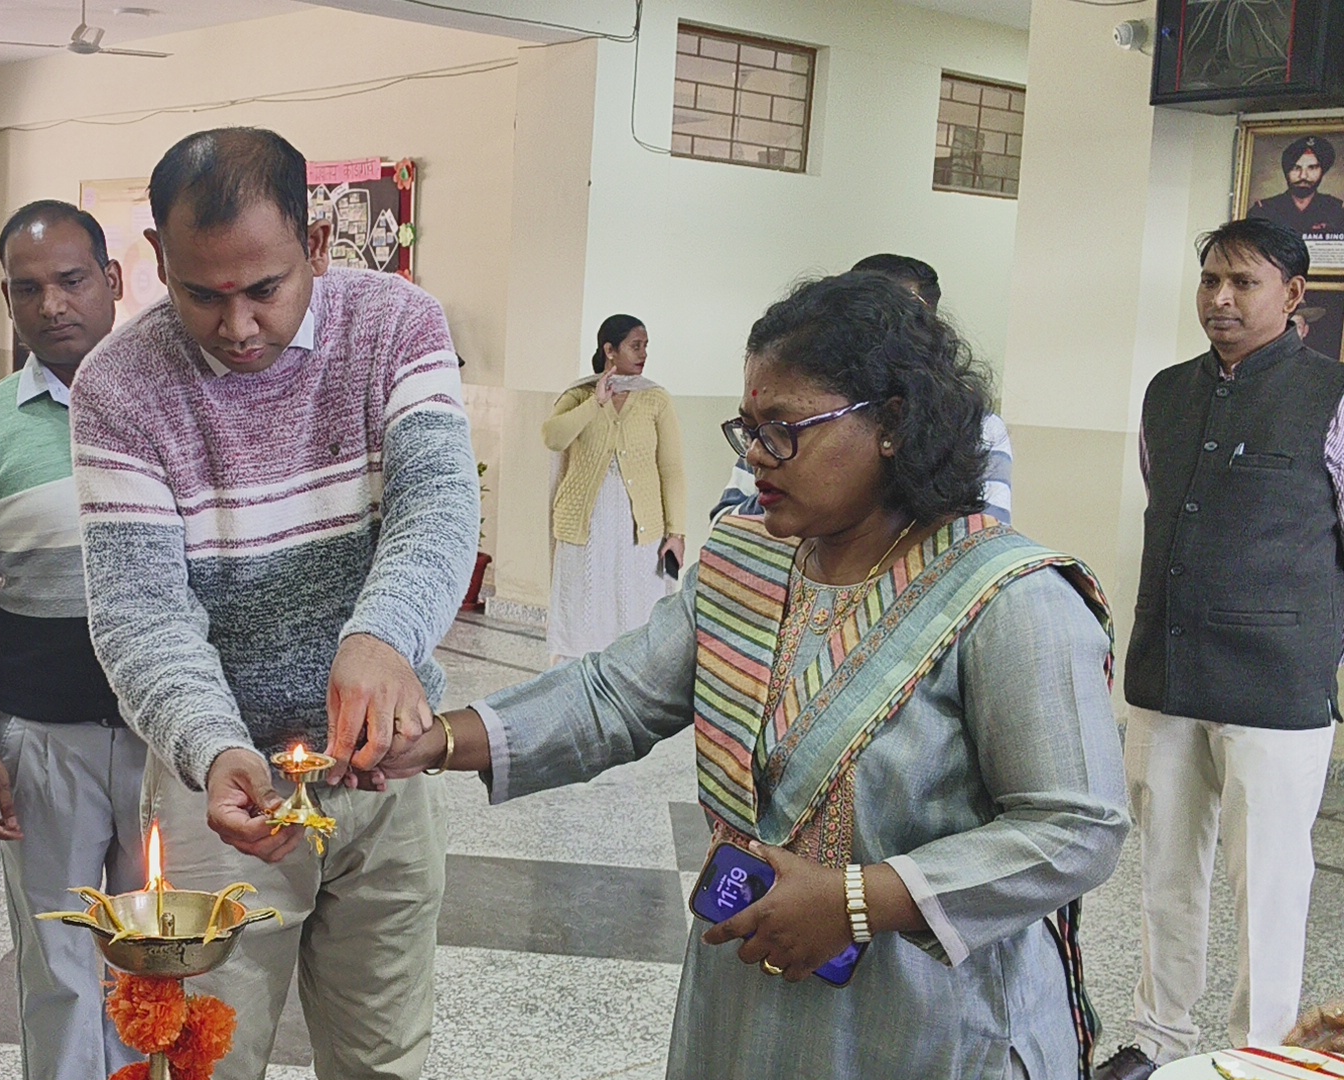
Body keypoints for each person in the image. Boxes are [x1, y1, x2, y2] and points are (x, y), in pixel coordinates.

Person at [381, 272, 1129, 1079]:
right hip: (750, 998)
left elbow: (1074, 828)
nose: (756, 458)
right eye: (749, 429)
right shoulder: (746, 562)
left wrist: (858, 901)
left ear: (892, 424)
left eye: (786, 430)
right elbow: (613, 697)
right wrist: (436, 740)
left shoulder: (1007, 598)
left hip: (930, 1021)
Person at [70, 127, 478, 1080]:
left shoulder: (396, 325)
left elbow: (438, 502)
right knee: (205, 1056)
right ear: (158, 258)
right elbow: (142, 610)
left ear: (318, 245)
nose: (239, 325)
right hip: (224, 788)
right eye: (202, 294)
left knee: (383, 1056)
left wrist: (383, 638)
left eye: (265, 288)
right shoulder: (120, 388)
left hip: (384, 769)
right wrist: (214, 749)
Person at [1105, 217, 1344, 1076]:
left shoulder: (1332, 395)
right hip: (1166, 677)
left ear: (1293, 295)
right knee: (1166, 874)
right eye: (1211, 279)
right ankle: (1155, 1038)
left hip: (1277, 689)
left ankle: (1262, 1052)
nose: (1221, 298)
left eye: (1244, 282)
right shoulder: (1166, 392)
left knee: (1269, 884)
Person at [0, 199, 143, 1080]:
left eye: (72, 280)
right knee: (59, 964)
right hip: (44, 742)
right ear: (7, 298)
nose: (52, 305)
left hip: (171, 738)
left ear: (113, 280)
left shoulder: (178, 405)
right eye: (27, 288)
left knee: (160, 957)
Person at [713, 254, 1013, 523]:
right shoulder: (772, 433)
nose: (755, 455)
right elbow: (723, 526)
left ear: (893, 423)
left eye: (902, 321)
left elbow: (987, 526)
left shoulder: (981, 431)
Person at [542, 314, 685, 665]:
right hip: (585, 529)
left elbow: (671, 469)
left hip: (640, 532)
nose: (643, 354)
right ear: (610, 350)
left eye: (646, 346)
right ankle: (577, 684)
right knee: (581, 616)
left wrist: (676, 532)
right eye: (635, 346)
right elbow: (553, 437)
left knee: (636, 615)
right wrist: (596, 403)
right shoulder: (579, 395)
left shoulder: (656, 399)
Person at [1247, 135, 1344, 238]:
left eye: (1312, 168)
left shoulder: (1337, 211)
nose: (1303, 176)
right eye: (1296, 168)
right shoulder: (1264, 211)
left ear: (1322, 172)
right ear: (1286, 172)